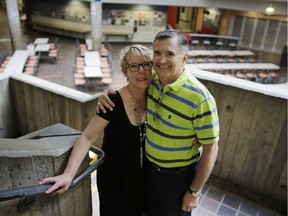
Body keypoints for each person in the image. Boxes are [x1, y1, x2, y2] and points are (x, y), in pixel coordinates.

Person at [97, 30, 219, 216]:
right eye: (157, 53)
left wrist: (194, 192)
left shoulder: (199, 98)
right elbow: (131, 84)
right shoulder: (153, 81)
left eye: (170, 54)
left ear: (184, 58)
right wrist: (107, 93)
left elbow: (211, 148)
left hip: (177, 180)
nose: (162, 60)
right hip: (148, 172)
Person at [40, 44, 153, 216]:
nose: (141, 71)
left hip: (143, 176)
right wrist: (68, 175)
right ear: (125, 72)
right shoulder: (112, 100)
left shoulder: (156, 96)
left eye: (146, 64)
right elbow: (87, 137)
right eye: (134, 66)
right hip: (115, 178)